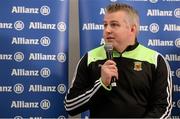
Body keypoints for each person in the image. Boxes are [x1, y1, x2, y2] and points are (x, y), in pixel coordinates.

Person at [64, 3, 172, 118]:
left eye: (114, 25)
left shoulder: (155, 60)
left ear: (132, 29)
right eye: (105, 25)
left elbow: (163, 108)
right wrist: (102, 84)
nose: (107, 30)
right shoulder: (90, 58)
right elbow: (70, 106)